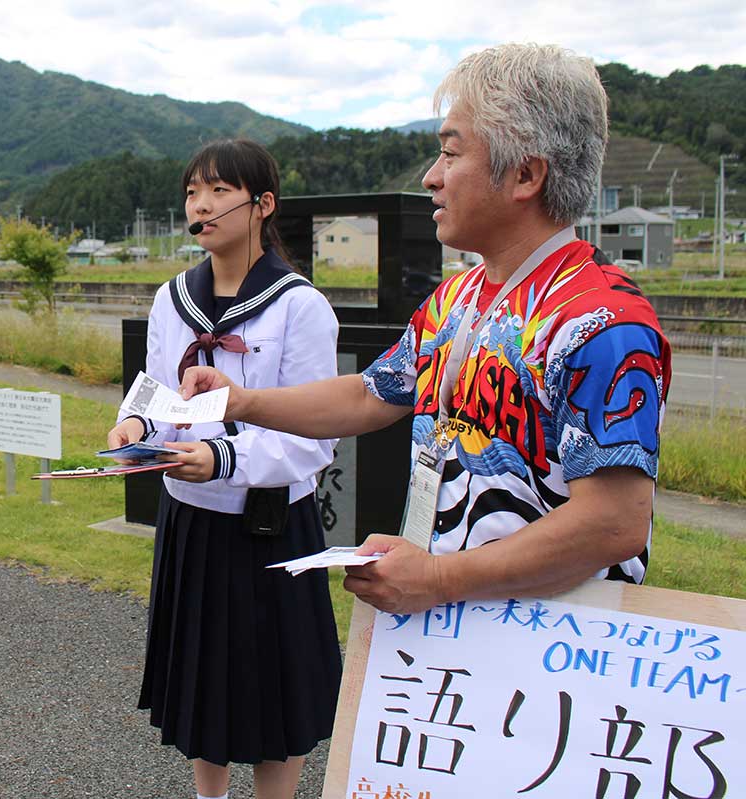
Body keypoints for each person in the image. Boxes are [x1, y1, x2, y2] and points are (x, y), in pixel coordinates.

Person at [180, 44, 671, 616]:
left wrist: (437, 577)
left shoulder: (599, 320)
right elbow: (369, 394)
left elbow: (614, 524)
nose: (430, 177)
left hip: (551, 651)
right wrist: (241, 402)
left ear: (525, 174)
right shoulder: (457, 299)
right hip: (456, 633)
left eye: (449, 153)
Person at [106, 139, 343, 799]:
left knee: (277, 696)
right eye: (191, 192)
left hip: (271, 526)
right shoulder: (173, 298)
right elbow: (156, 389)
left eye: (217, 190)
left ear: (263, 204)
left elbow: (312, 437)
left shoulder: (300, 307)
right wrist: (135, 426)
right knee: (202, 686)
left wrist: (222, 456)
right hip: (192, 524)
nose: (200, 205)